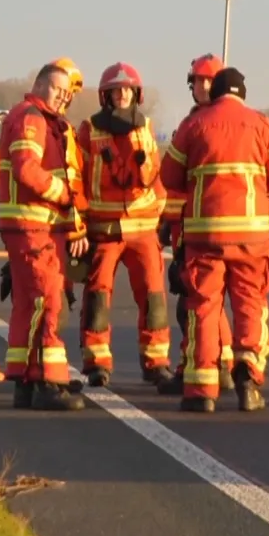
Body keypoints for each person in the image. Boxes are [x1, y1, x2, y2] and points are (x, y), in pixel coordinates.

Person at [162, 67, 269, 413]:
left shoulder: (195, 124)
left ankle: (201, 391)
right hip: (252, 237)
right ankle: (248, 380)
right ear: (243, 93)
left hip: (205, 235)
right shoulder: (262, 124)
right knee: (250, 305)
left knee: (204, 307)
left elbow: (169, 175)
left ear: (214, 92)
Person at [0, 63, 92, 412]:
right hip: (33, 226)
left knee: (28, 304)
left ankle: (25, 379)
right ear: (39, 85)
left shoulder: (41, 119)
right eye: (57, 89)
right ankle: (50, 382)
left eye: (67, 94)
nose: (62, 98)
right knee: (49, 301)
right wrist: (64, 194)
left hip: (33, 225)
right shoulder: (32, 118)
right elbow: (26, 170)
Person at [76, 62, 173, 387]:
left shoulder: (145, 129)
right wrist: (79, 222)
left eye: (127, 90)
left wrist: (160, 215)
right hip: (103, 231)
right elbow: (77, 178)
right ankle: (96, 362)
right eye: (116, 90)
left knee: (153, 295)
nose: (122, 95)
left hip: (143, 229)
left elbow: (157, 177)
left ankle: (156, 362)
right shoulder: (88, 131)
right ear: (106, 95)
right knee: (98, 297)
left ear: (136, 93)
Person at [157, 53, 235, 395]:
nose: (202, 87)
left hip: (207, 228)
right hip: (189, 225)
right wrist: (168, 222)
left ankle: (209, 364)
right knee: (196, 299)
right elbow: (174, 182)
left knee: (200, 300)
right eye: (197, 82)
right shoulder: (192, 123)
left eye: (208, 81)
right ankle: (214, 363)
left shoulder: (209, 124)